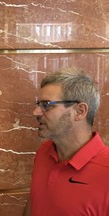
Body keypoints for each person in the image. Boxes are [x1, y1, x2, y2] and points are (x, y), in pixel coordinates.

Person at [23, 67, 109, 216]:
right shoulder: (44, 152)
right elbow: (35, 202)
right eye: (38, 105)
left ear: (80, 111)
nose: (36, 112)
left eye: (47, 105)